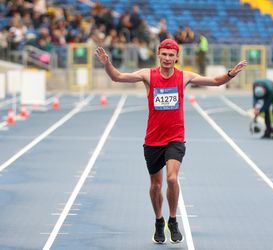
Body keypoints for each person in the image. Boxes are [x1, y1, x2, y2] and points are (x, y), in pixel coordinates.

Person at [95, 39, 247, 244]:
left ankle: (173, 220)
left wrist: (231, 73)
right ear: (159, 54)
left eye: (171, 55)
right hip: (152, 140)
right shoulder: (147, 75)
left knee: (172, 179)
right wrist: (107, 63)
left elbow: (214, 81)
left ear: (177, 57)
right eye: (164, 54)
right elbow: (118, 77)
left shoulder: (184, 77)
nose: (167, 58)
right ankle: (159, 221)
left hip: (175, 138)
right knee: (155, 185)